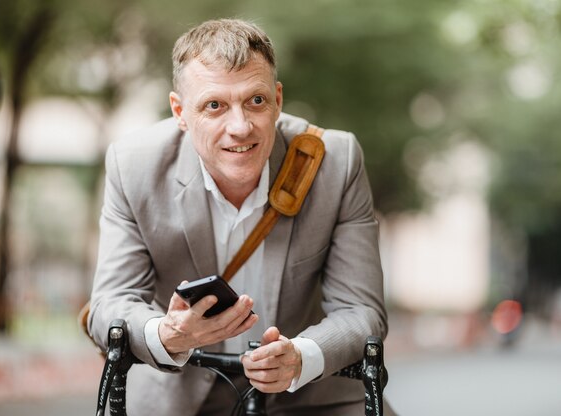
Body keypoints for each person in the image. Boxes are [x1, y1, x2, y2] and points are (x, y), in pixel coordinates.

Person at [87, 18, 389, 415]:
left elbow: (362, 312)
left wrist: (302, 356)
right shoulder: (133, 166)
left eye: (256, 101)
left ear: (278, 100)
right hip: (177, 395)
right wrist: (167, 335)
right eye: (214, 106)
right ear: (180, 110)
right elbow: (111, 301)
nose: (240, 127)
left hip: (311, 396)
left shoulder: (337, 161)